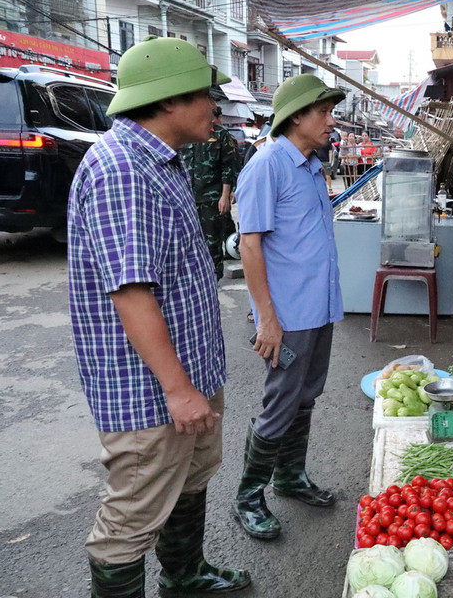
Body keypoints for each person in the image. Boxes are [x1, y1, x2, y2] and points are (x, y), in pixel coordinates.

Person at [67, 36, 250, 596]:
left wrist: (194, 384)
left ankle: (185, 576)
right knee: (132, 518)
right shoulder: (123, 168)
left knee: (189, 481)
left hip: (188, 374)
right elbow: (131, 294)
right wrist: (177, 389)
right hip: (150, 390)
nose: (216, 107)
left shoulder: (159, 160)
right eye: (206, 94)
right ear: (170, 99)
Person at [233, 74, 346, 540]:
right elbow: (250, 245)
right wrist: (268, 320)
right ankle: (249, 495)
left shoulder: (310, 164)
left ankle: (290, 477)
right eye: (322, 112)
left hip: (318, 308)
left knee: (306, 397)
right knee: (280, 402)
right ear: (296, 116)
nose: (330, 120)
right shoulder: (267, 165)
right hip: (289, 316)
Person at [180, 105, 241, 280]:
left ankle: (214, 277)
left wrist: (225, 195)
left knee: (212, 241)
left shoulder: (221, 136)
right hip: (189, 197)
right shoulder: (187, 134)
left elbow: (228, 166)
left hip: (212, 198)